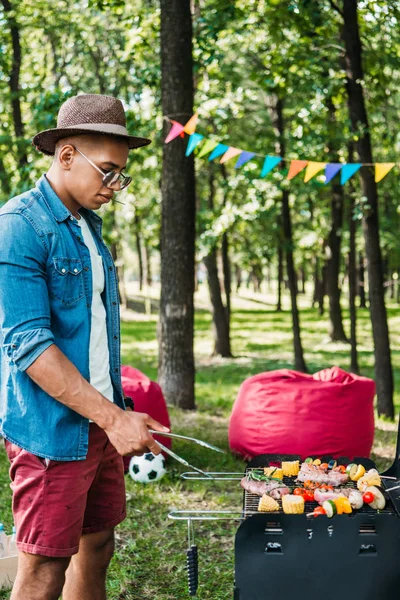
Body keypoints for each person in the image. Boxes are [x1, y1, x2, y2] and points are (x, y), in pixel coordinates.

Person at [0, 93, 169, 600]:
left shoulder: (88, 228)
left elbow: (94, 330)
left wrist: (116, 413)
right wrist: (114, 420)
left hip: (101, 418)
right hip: (53, 432)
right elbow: (28, 345)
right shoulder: (18, 227)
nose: (115, 187)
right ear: (67, 155)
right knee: (45, 570)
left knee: (97, 548)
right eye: (109, 172)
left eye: (123, 176)